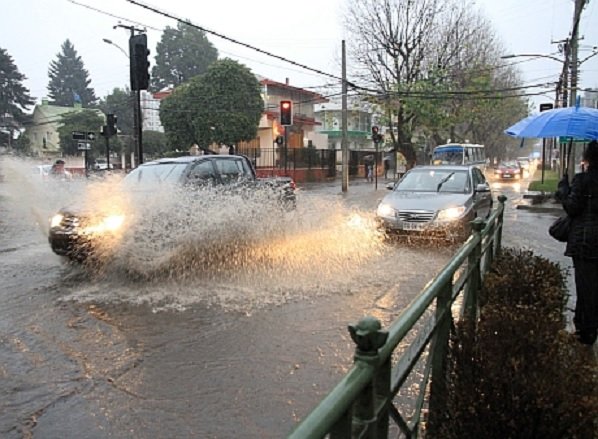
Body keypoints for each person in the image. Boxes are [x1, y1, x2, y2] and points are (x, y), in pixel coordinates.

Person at [556, 140, 598, 345]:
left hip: (585, 242)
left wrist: (564, 190)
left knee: (585, 287)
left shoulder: (583, 180)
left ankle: (586, 331)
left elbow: (572, 208)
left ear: (588, 157)